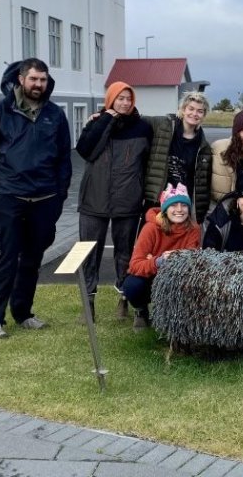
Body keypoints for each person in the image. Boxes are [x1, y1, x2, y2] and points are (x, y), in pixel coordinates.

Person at [0, 58, 72, 339]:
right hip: (8, 198)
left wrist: (59, 194)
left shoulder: (55, 115)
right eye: (33, 79)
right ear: (20, 79)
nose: (38, 85)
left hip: (45, 199)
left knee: (32, 259)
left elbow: (64, 158)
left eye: (43, 80)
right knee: (3, 258)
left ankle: (23, 312)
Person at [76, 81, 152, 321]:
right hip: (94, 198)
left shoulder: (142, 127)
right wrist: (105, 120)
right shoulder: (96, 123)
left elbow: (149, 160)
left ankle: (124, 299)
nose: (125, 103)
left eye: (129, 99)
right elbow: (86, 151)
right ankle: (89, 303)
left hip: (127, 199)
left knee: (125, 252)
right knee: (89, 252)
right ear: (110, 100)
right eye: (120, 98)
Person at [122, 183, 201, 330]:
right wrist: (158, 261)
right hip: (151, 276)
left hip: (178, 277)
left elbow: (193, 259)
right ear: (165, 209)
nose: (179, 210)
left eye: (183, 205)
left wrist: (175, 258)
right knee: (132, 285)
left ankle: (177, 316)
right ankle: (141, 309)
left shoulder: (194, 229)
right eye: (174, 205)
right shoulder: (150, 229)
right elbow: (135, 265)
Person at [143, 91, 212, 224]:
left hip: (182, 205)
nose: (194, 114)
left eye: (200, 111)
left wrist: (200, 212)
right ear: (183, 110)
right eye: (190, 109)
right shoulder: (164, 125)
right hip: (158, 200)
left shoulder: (204, 147)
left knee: (178, 242)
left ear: (204, 115)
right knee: (154, 240)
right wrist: (103, 114)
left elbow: (203, 184)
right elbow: (136, 119)